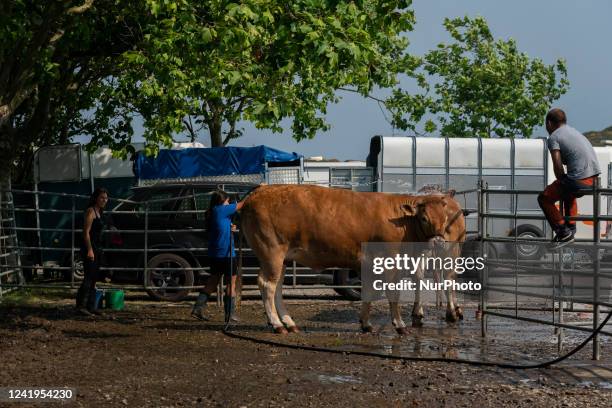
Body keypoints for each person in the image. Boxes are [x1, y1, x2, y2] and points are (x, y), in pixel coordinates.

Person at [537, 108, 600, 246]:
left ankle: (563, 233)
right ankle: (571, 228)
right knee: (567, 189)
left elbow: (557, 166)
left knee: (544, 198)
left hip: (580, 180)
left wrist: (561, 180)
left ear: (549, 123)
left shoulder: (554, 137)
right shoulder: (575, 133)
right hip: (595, 180)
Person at [192, 190, 245, 322]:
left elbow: (220, 228)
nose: (229, 203)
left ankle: (198, 308)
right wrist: (259, 189)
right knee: (230, 284)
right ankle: (229, 315)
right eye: (227, 201)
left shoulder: (213, 211)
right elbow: (243, 204)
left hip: (215, 254)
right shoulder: (222, 209)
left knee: (213, 281)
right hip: (226, 254)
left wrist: (230, 228)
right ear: (222, 201)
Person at [76, 188, 109, 316]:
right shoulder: (91, 211)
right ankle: (81, 305)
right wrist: (90, 250)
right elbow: (86, 233)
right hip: (90, 248)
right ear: (96, 198)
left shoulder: (101, 212)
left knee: (94, 277)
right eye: (102, 197)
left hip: (97, 247)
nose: (104, 200)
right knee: (88, 277)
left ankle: (91, 306)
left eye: (106, 198)